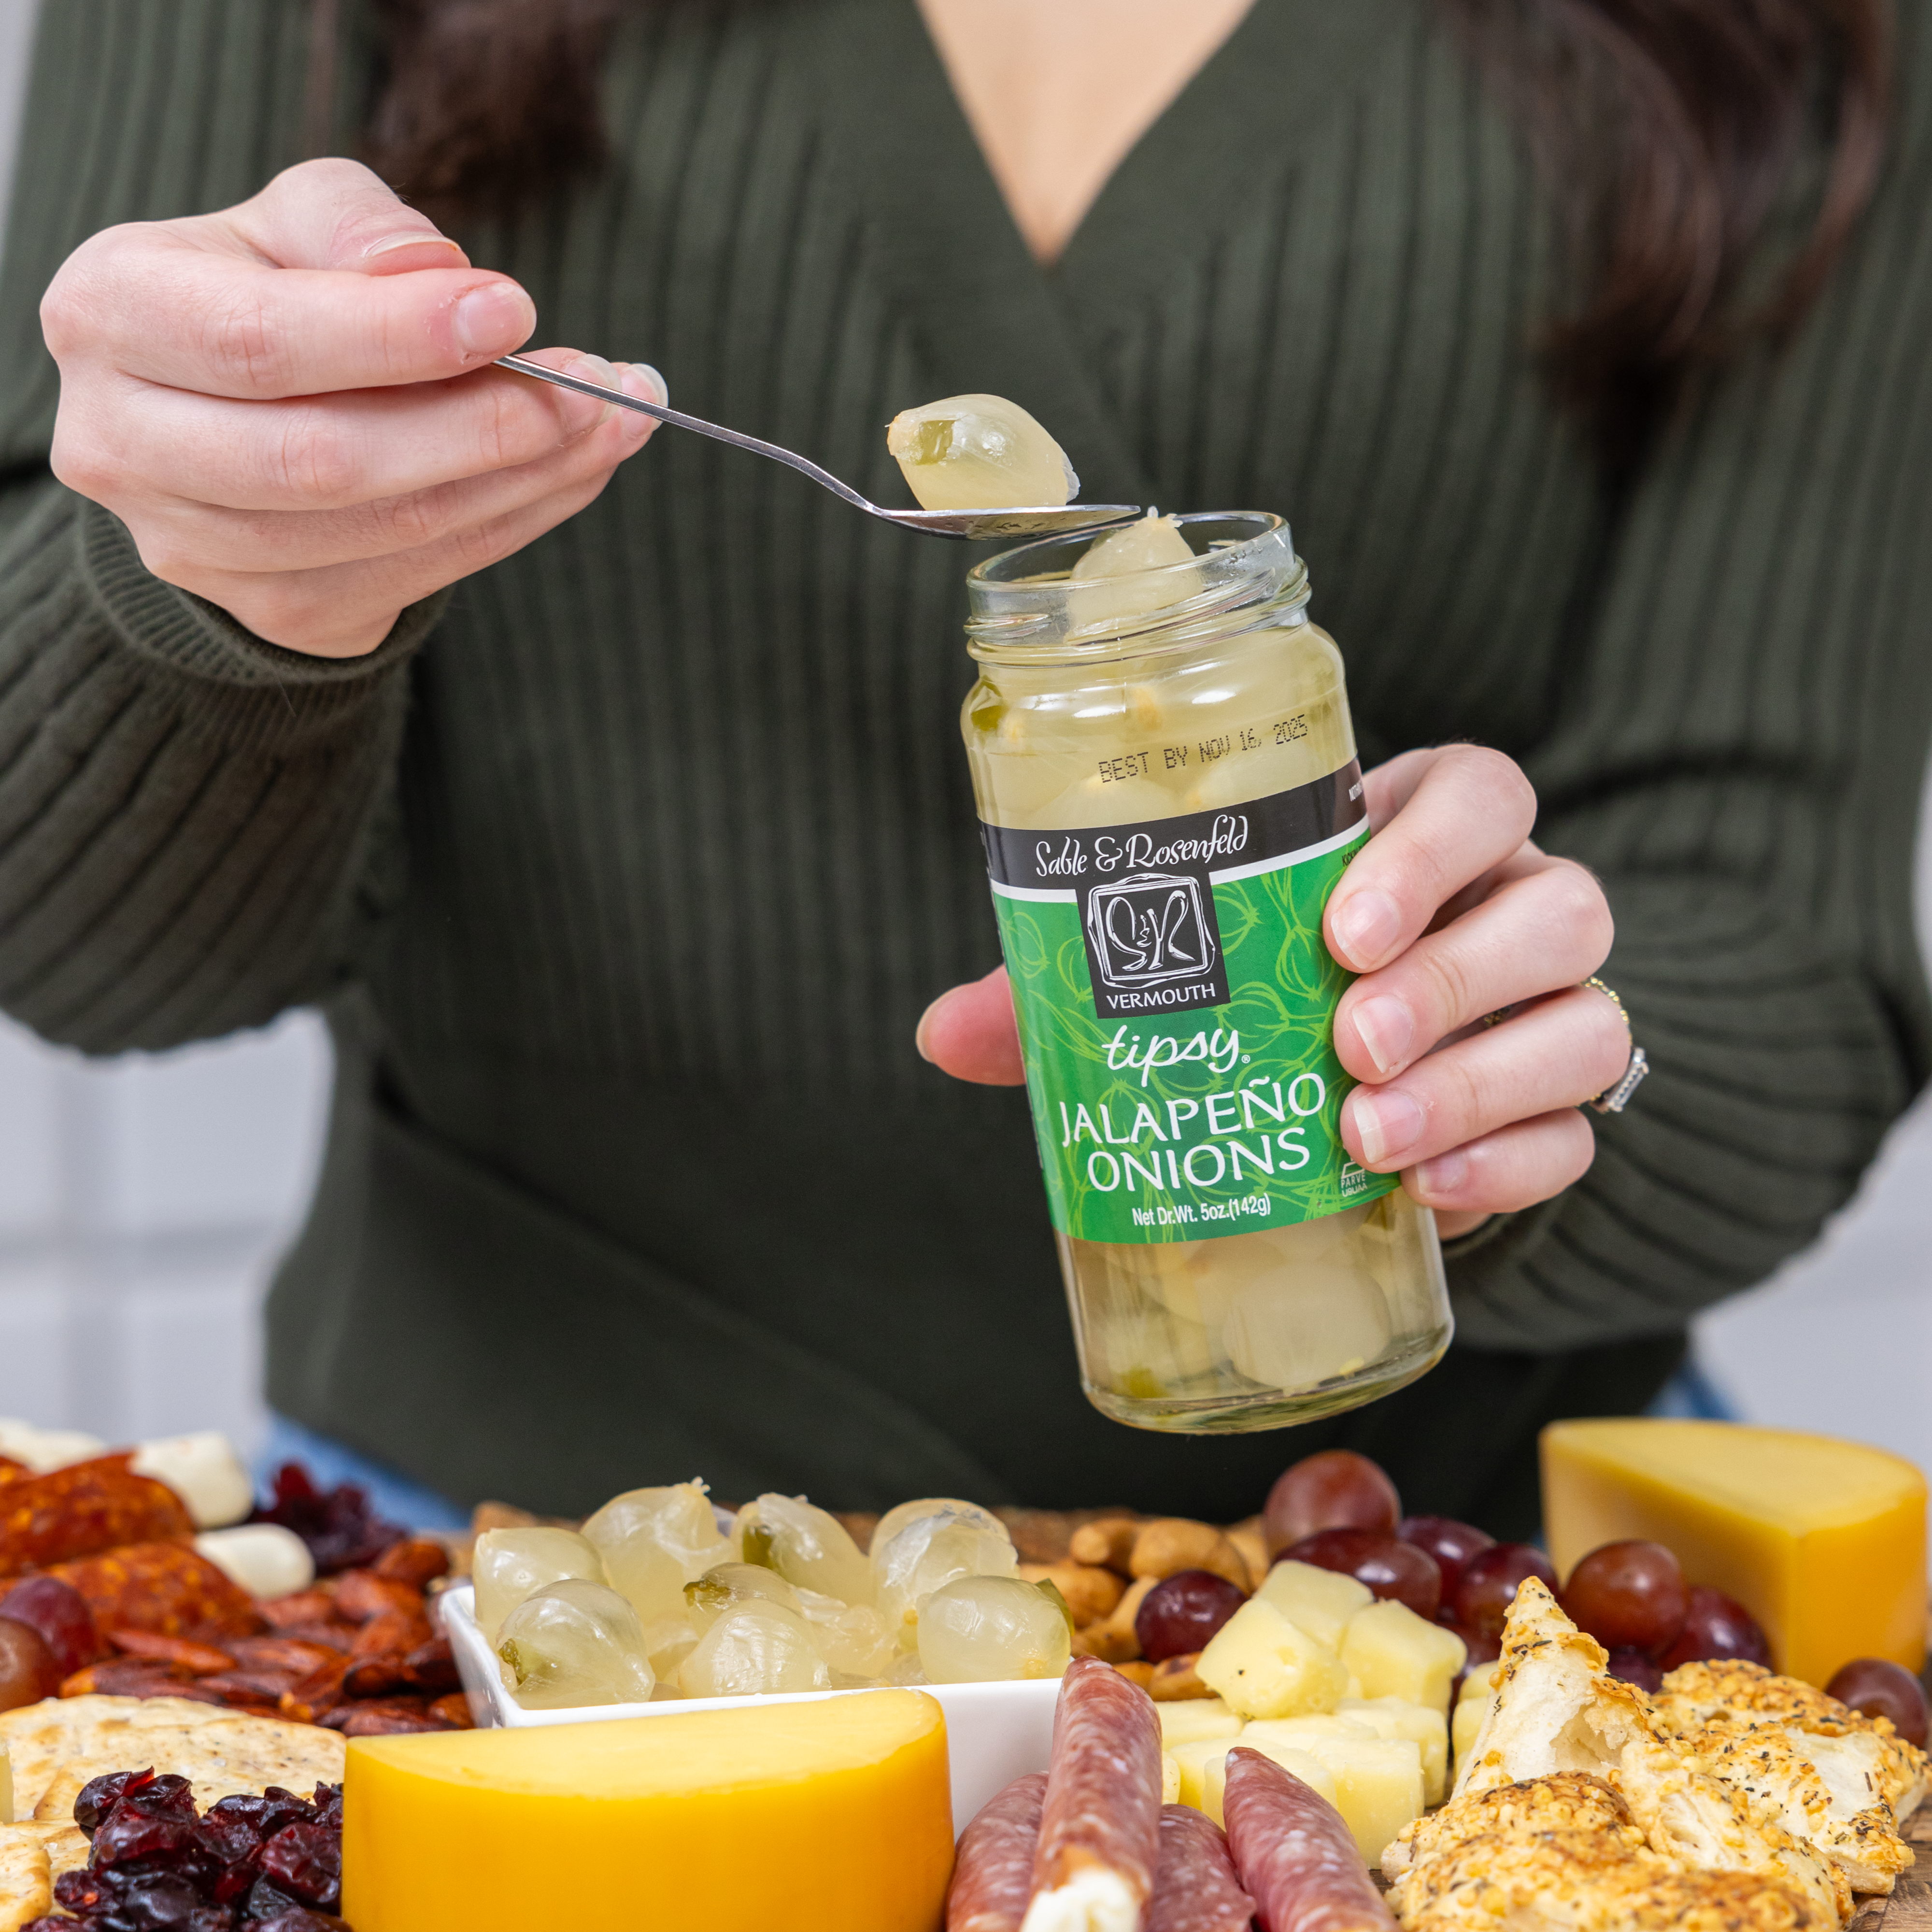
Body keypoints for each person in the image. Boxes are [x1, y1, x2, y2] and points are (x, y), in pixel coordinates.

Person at [0, 0, 1924, 1534]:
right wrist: (230, 601)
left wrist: (1519, 1062)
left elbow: (1775, 938)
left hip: (1446, 1596)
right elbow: (79, 935)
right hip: (526, 1592)